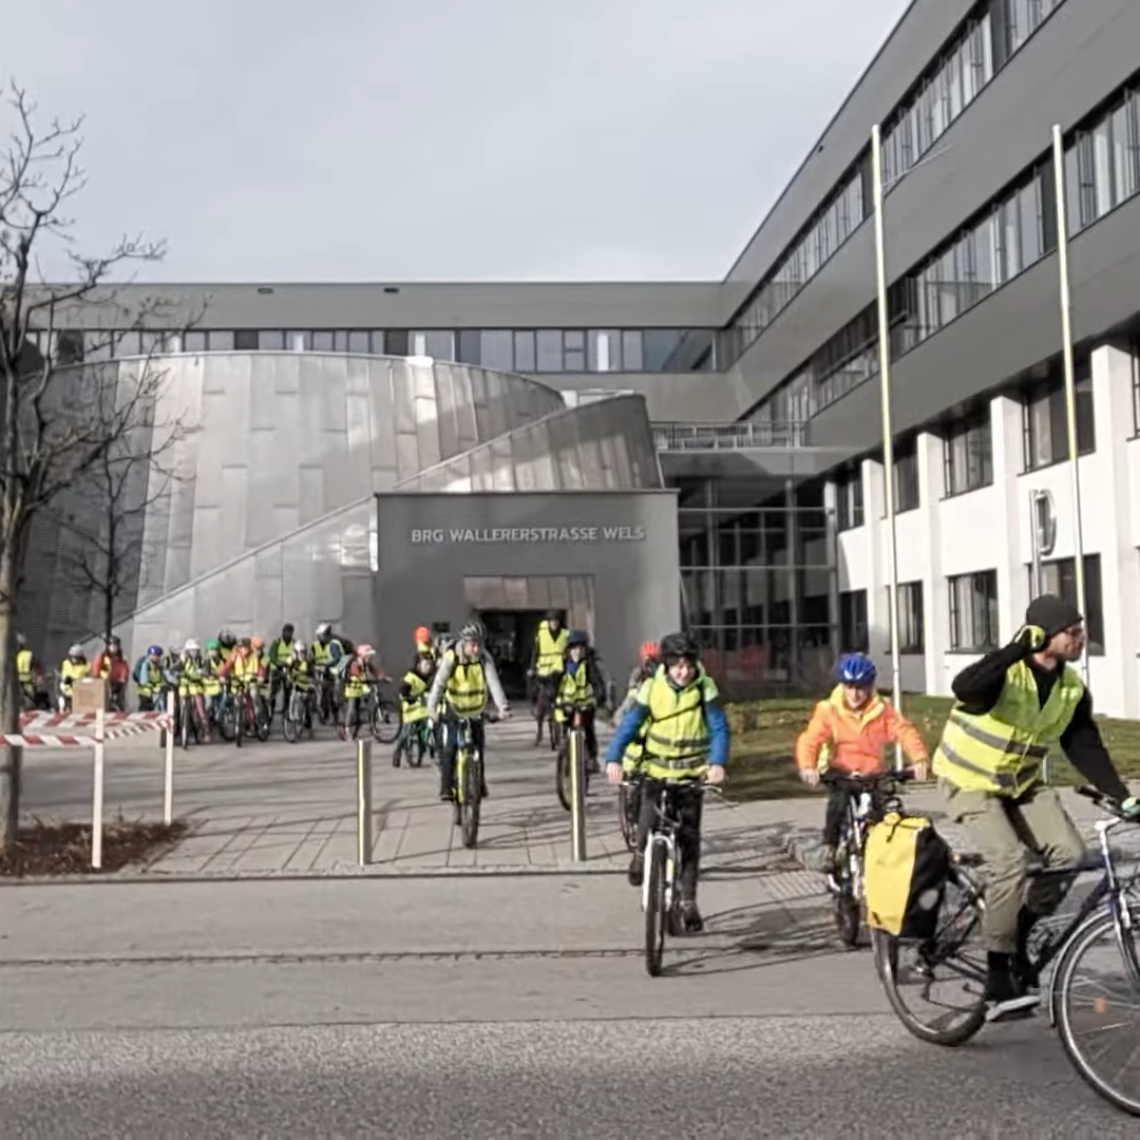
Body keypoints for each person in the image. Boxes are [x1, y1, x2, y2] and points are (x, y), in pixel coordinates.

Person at [933, 594, 1140, 1021]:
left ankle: (1017, 939)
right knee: (1008, 862)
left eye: (1082, 630)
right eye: (1073, 631)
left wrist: (1124, 797)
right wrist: (1014, 648)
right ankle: (996, 979)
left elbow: (1084, 746)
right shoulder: (1004, 674)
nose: (1082, 637)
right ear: (1045, 634)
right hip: (970, 782)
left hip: (1021, 786)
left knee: (1069, 854)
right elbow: (964, 688)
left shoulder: (1070, 689)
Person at [605, 632, 729, 932]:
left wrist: (717, 763)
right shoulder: (652, 688)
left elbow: (719, 728)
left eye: (688, 666)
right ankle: (639, 855)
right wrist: (614, 758)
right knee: (647, 819)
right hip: (657, 771)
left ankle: (688, 900)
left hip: (690, 775)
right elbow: (630, 724)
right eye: (677, 666)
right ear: (667, 665)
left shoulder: (704, 689)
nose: (684, 672)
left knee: (689, 838)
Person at [795, 652, 930, 879]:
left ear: (870, 687)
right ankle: (830, 846)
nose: (855, 694)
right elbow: (811, 739)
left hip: (871, 772)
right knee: (838, 802)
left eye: (860, 687)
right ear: (842, 686)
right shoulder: (829, 709)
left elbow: (904, 732)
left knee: (881, 817)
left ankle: (880, 861)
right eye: (849, 687)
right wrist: (808, 766)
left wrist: (919, 759)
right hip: (842, 770)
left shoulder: (882, 710)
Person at [426, 620, 510, 803]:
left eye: (480, 644)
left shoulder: (484, 658)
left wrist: (502, 707)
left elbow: (493, 682)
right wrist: (431, 707)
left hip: (475, 709)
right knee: (449, 749)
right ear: (464, 643)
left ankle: (479, 783)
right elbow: (439, 683)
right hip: (454, 709)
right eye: (473, 644)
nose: (477, 648)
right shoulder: (451, 657)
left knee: (478, 746)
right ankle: (446, 787)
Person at [615, 642, 661, 825]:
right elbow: (622, 713)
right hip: (636, 748)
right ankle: (632, 813)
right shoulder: (636, 689)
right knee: (636, 788)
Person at [553, 629, 606, 773]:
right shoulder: (563, 666)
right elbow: (554, 684)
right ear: (568, 650)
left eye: (580, 648)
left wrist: (599, 697)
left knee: (588, 731)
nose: (577, 652)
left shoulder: (589, 666)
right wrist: (554, 697)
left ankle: (592, 758)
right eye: (573, 648)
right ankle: (566, 757)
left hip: (585, 706)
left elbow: (597, 684)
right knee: (567, 730)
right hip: (567, 706)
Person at [528, 609, 567, 746]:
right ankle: (539, 730)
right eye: (552, 622)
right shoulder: (541, 634)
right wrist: (532, 668)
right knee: (541, 702)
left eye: (556, 622)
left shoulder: (564, 635)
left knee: (563, 701)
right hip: (543, 673)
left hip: (559, 673)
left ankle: (562, 730)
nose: (554, 624)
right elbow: (535, 652)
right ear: (548, 623)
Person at [393, 652, 436, 768]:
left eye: (430, 665)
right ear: (418, 665)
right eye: (426, 664)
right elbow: (403, 690)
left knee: (431, 727)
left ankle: (431, 749)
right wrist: (405, 696)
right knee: (406, 732)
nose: (428, 667)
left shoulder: (431, 678)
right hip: (411, 709)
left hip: (424, 709)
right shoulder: (411, 677)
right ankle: (397, 751)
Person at [339, 644, 379, 740]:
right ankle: (347, 729)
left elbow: (375, 671)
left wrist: (383, 677)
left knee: (359, 709)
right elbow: (357, 677)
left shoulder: (366, 663)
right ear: (362, 655)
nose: (369, 658)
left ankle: (369, 725)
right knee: (352, 709)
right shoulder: (355, 664)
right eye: (368, 656)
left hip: (360, 688)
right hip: (352, 689)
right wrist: (365, 686)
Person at [132, 645, 167, 712]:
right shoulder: (145, 665)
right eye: (155, 656)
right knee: (145, 709)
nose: (157, 658)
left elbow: (163, 678)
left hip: (155, 691)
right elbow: (143, 681)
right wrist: (154, 686)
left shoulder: (159, 666)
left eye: (158, 656)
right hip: (145, 691)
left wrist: (164, 685)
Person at [58, 644, 88, 712]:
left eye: (77, 657)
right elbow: (61, 674)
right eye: (73, 657)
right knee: (62, 697)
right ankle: (62, 709)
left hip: (80, 687)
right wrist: (65, 679)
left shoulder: (85, 665)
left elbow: (88, 677)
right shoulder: (65, 663)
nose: (75, 659)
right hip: (67, 685)